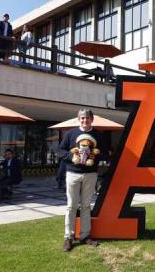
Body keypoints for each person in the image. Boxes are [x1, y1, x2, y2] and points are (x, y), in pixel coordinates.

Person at [58, 108, 105, 252]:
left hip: (90, 175)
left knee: (85, 206)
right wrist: (72, 158)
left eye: (88, 118)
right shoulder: (71, 133)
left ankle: (85, 236)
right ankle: (68, 237)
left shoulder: (98, 134)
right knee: (71, 206)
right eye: (83, 118)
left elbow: (105, 152)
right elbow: (60, 151)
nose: (85, 121)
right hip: (73, 173)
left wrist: (96, 155)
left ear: (92, 119)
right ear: (79, 119)